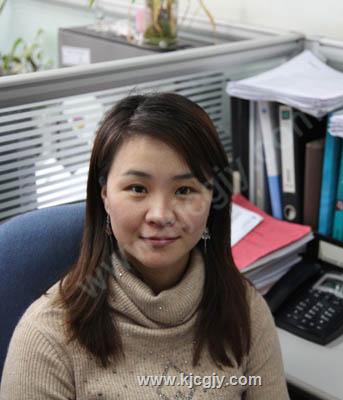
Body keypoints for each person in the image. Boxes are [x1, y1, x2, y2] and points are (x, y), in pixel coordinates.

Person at [0, 93, 289, 399]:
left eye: (184, 190)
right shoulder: (47, 338)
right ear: (105, 196)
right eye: (137, 188)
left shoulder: (245, 310)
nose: (160, 215)